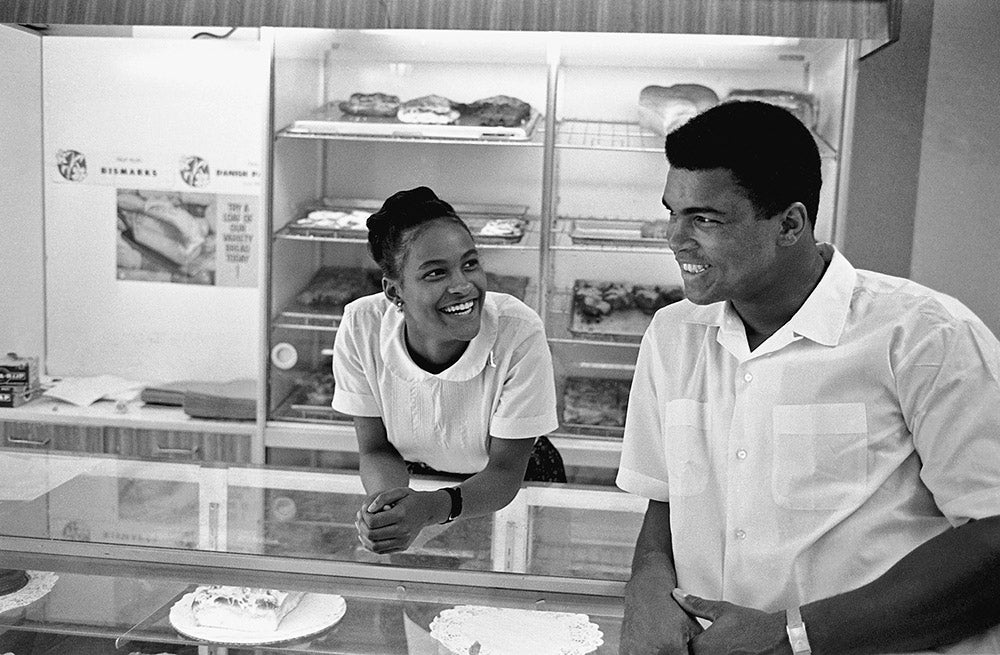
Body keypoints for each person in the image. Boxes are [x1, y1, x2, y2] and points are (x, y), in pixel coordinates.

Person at [616, 101, 1000, 655]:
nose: (674, 238)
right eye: (672, 212)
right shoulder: (673, 335)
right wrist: (646, 587)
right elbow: (670, 498)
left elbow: (993, 533)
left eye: (704, 219)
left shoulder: (925, 335)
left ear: (790, 224)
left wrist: (796, 637)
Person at [332, 186, 564, 555]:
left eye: (470, 264)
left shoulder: (518, 332)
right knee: (424, 607)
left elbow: (504, 472)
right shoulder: (362, 326)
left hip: (508, 485)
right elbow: (375, 449)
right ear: (394, 293)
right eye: (436, 273)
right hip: (414, 482)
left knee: (507, 599)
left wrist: (428, 509)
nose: (463, 286)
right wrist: (389, 508)